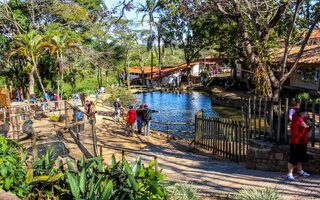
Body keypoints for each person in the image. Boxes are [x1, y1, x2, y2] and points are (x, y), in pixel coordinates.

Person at [287, 109, 311, 181]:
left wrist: (309, 126)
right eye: (307, 114)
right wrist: (303, 127)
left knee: (301, 158)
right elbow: (295, 133)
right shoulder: (296, 121)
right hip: (296, 142)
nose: (308, 116)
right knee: (293, 158)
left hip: (303, 142)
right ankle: (290, 174)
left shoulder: (304, 121)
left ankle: (300, 171)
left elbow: (306, 131)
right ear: (303, 115)